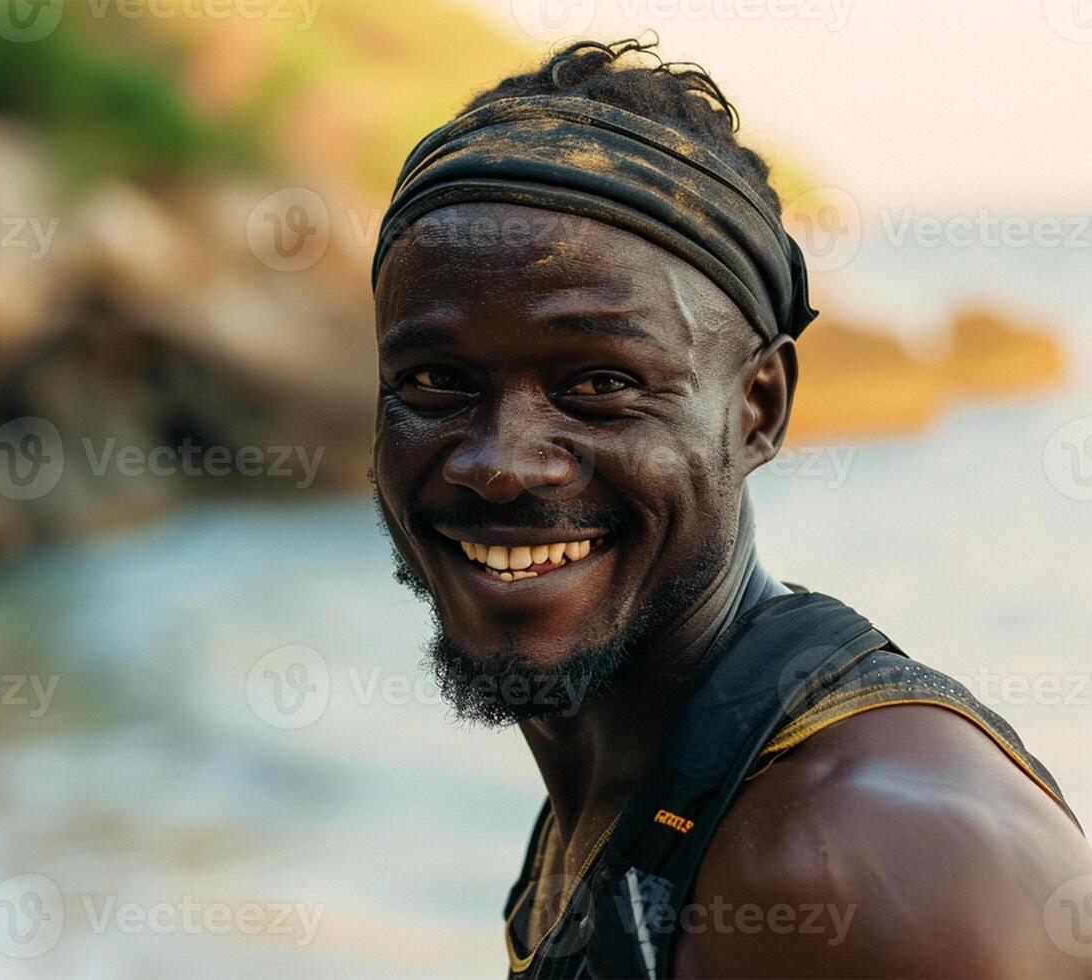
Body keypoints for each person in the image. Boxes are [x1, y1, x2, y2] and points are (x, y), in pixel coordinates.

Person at [368, 38, 1092, 978]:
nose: (502, 466)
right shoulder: (645, 790)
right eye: (434, 382)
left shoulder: (853, 872)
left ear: (759, 409)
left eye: (598, 383)